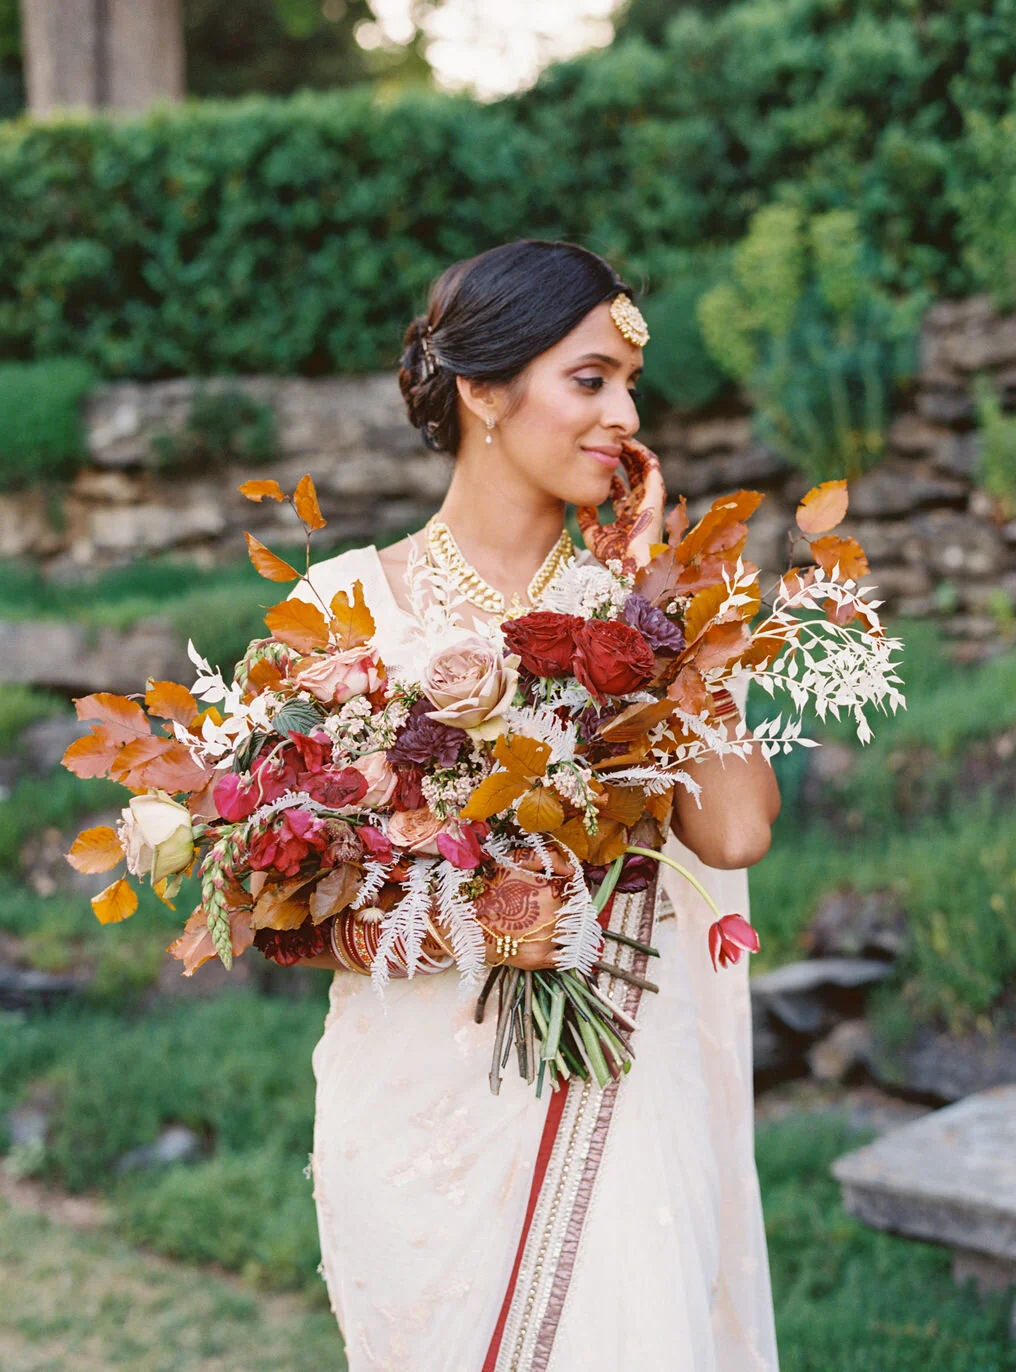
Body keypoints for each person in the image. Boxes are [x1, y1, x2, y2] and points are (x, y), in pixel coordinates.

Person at [290, 239, 782, 1370]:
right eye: (590, 377)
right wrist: (470, 911)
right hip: (412, 1123)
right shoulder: (340, 611)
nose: (624, 415)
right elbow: (283, 907)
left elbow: (738, 831)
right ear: (481, 390)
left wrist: (654, 605)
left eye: (630, 385)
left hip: (621, 1097)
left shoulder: (658, 607)